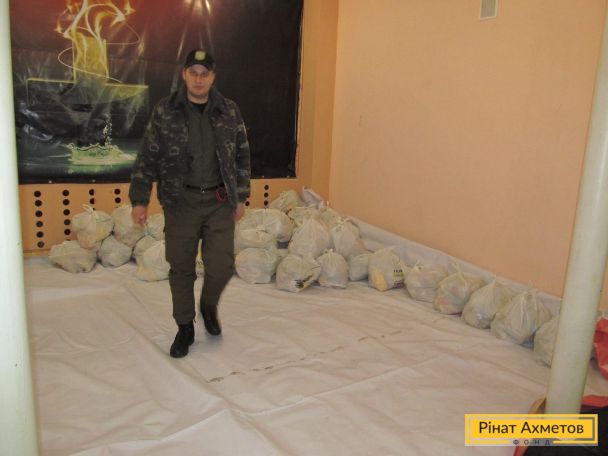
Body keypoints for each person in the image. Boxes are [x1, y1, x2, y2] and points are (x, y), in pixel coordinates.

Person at [129, 49, 251, 358]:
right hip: (180, 201)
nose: (198, 79)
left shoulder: (228, 110)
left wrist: (240, 196)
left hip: (219, 202)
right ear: (184, 74)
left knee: (221, 266)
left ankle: (208, 305)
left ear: (213, 77)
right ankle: (185, 327)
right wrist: (140, 199)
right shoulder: (166, 110)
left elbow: (241, 154)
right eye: (193, 73)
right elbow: (147, 156)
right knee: (181, 268)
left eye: (204, 74)